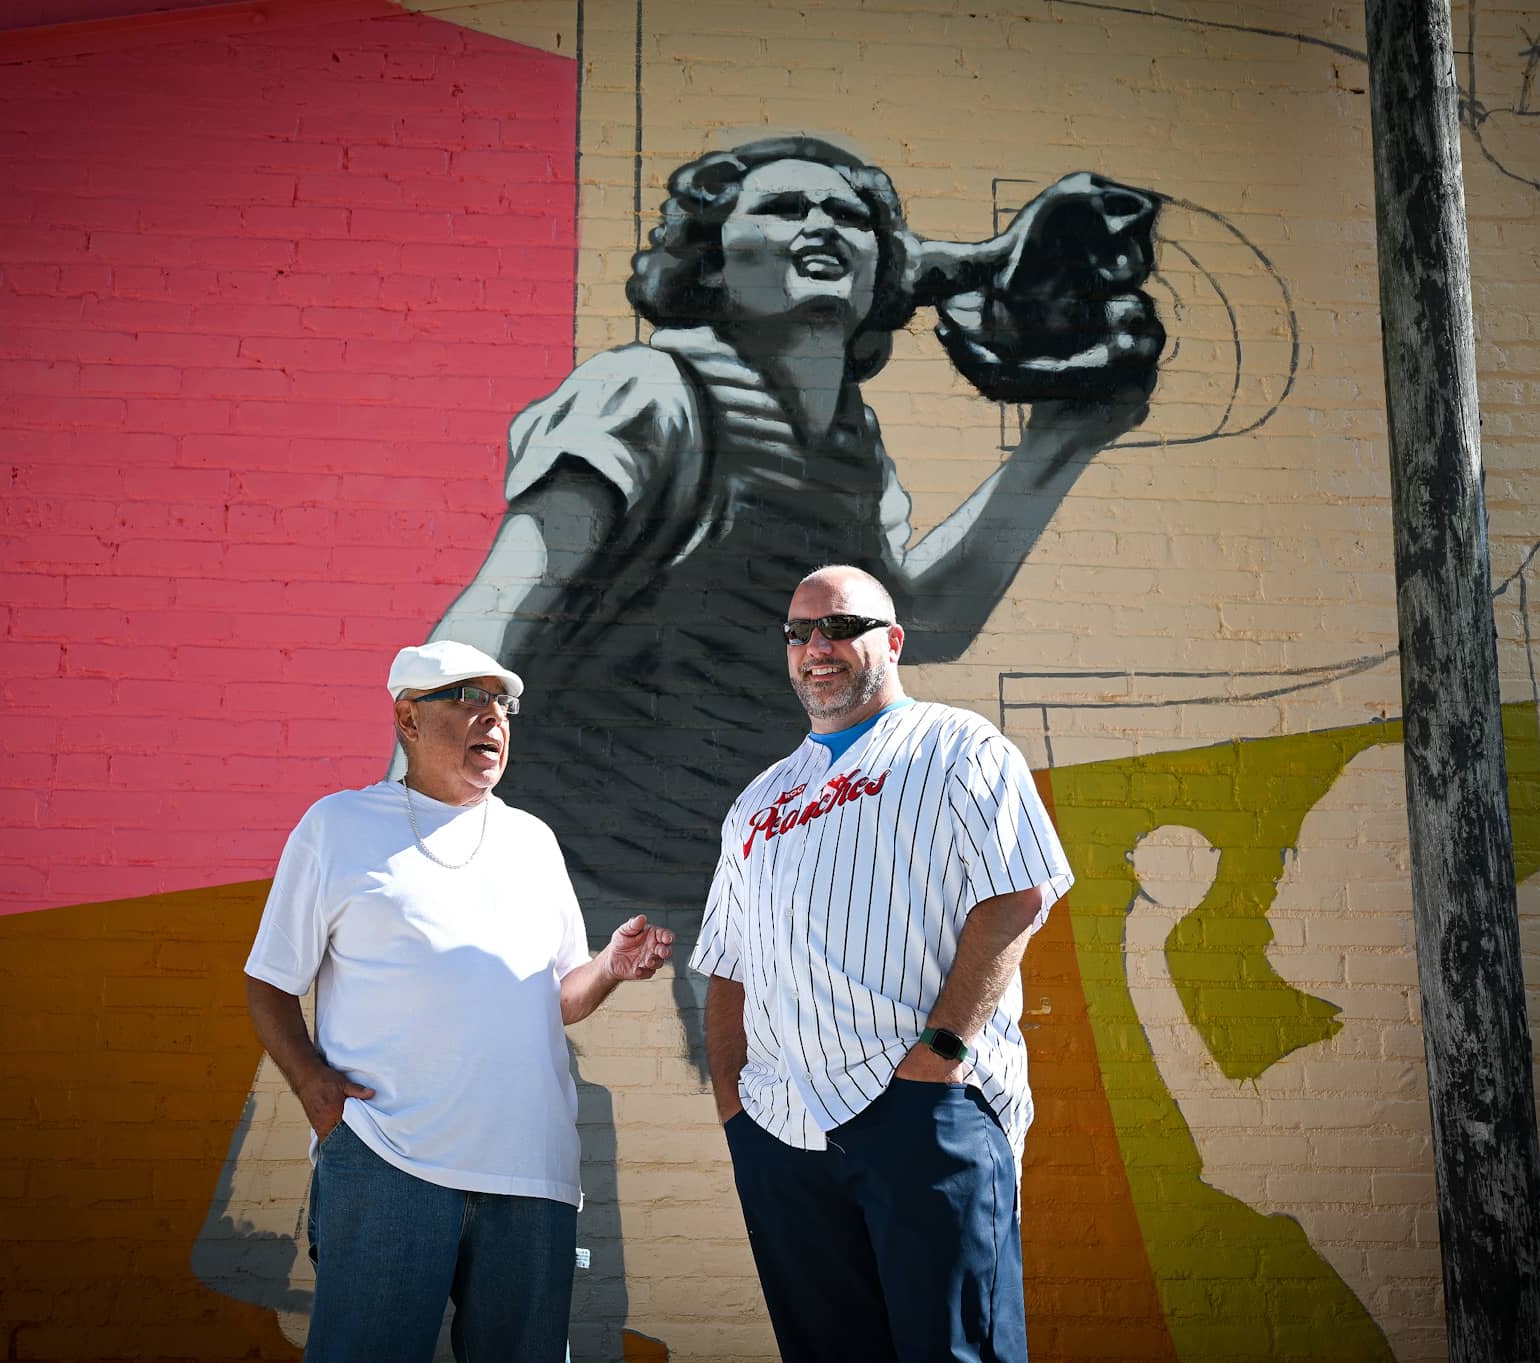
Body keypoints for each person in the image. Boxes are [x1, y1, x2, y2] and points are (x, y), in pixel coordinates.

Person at [413, 135, 1161, 938]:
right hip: (565, 869)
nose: (821, 224)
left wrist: (1064, 440)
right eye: (782, 206)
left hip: (735, 877)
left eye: (847, 215)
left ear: (882, 271)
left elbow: (927, 620)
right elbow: (500, 611)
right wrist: (415, 819)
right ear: (712, 261)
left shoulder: (851, 451)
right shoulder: (648, 393)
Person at [243, 639, 675, 1363]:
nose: (494, 719)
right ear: (409, 719)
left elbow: (559, 997)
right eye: (470, 699)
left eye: (503, 704)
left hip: (530, 1174)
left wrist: (606, 966)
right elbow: (268, 981)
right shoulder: (338, 827)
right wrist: (317, 1091)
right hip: (388, 1162)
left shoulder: (531, 840)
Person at [691, 564, 1074, 1363]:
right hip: (781, 1130)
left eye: (840, 626)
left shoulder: (958, 744)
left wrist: (940, 1056)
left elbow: (1016, 896)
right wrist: (736, 1103)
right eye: (798, 633)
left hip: (922, 1111)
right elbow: (726, 960)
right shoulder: (759, 799)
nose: (816, 647)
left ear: (892, 641)